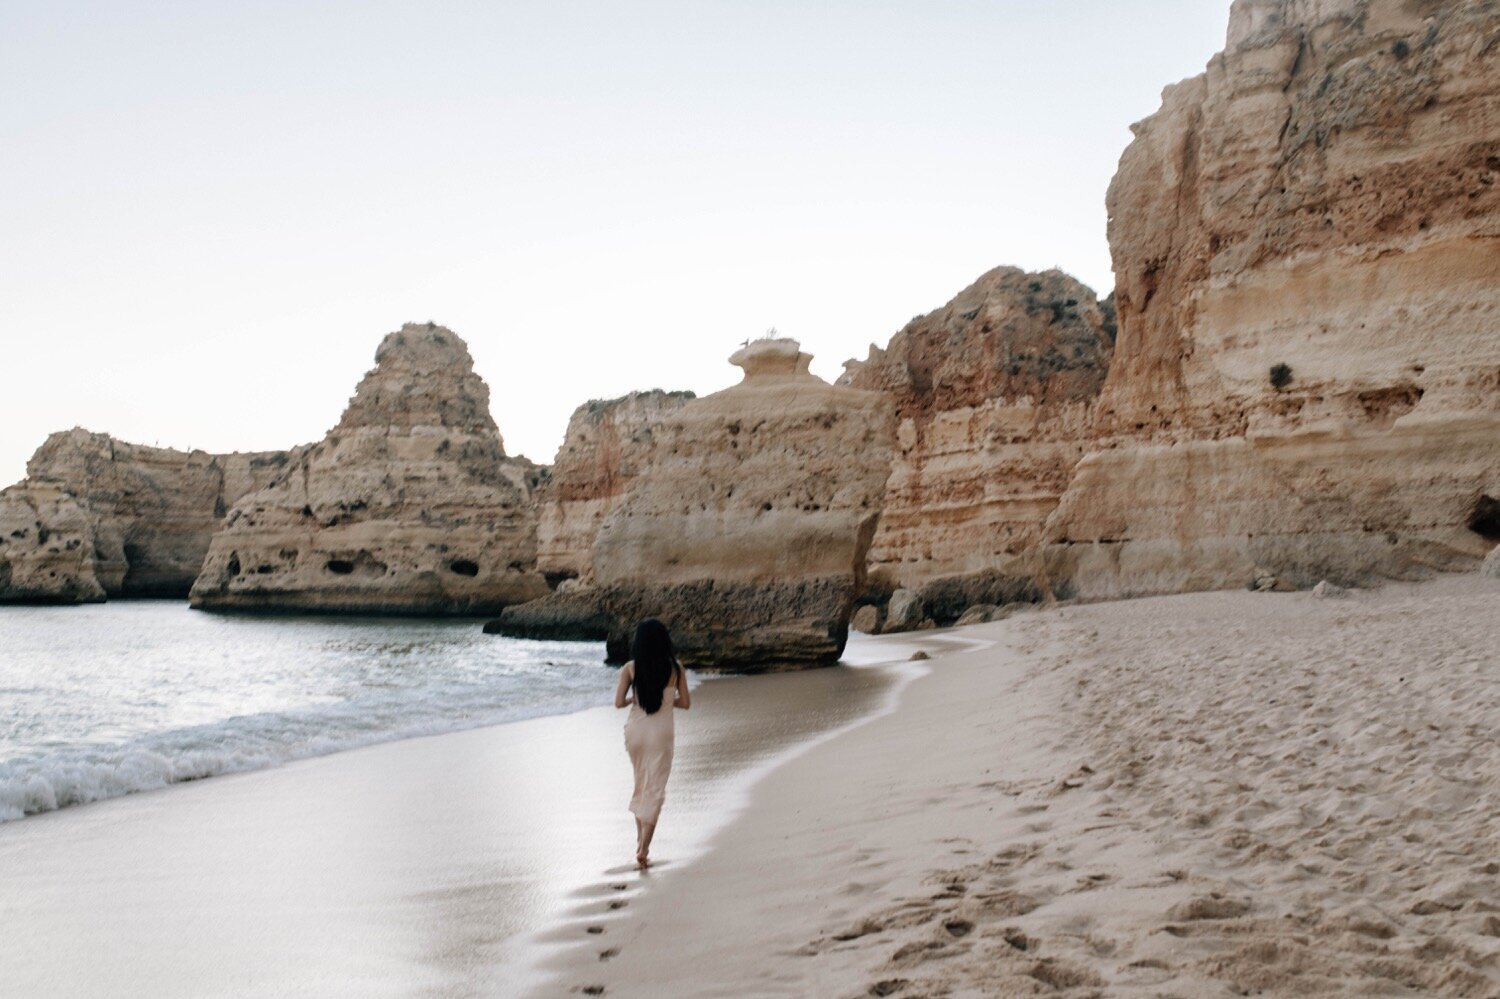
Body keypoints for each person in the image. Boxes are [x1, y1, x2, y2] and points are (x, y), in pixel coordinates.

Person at [613, 618, 691, 869]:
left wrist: (632, 702)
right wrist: (668, 702)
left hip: (635, 731)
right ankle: (644, 847)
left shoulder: (630, 668)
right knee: (656, 788)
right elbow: (686, 703)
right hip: (661, 734)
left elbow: (618, 702)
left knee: (641, 783)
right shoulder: (676, 668)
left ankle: (639, 839)